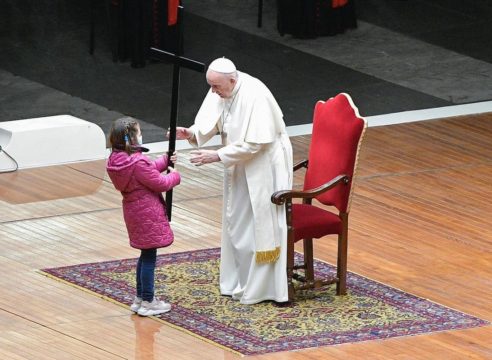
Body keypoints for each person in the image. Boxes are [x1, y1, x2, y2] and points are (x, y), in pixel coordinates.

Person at [173, 57, 293, 304]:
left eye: (217, 86)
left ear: (232, 80)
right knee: (237, 220)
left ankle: (264, 288)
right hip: (239, 162)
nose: (213, 92)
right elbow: (216, 120)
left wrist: (217, 155)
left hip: (263, 164)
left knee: (258, 222)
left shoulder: (255, 95)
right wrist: (191, 133)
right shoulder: (221, 90)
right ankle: (239, 280)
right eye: (211, 86)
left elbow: (256, 142)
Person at [107, 117, 181, 316]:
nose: (142, 135)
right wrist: (175, 175)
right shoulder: (137, 162)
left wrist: (165, 161)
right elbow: (160, 183)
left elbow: (145, 172)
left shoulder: (118, 161)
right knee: (149, 258)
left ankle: (140, 298)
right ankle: (148, 300)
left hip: (133, 212)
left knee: (144, 254)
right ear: (132, 139)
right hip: (148, 212)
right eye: (139, 133)